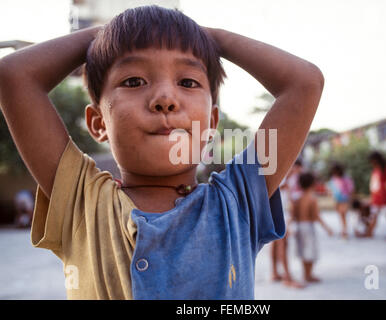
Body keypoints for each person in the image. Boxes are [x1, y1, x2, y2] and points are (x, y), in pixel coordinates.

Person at [0, 6, 324, 299]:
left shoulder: (238, 201)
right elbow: (13, 76)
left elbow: (304, 82)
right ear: (98, 122)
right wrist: (108, 36)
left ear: (211, 123)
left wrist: (210, 38)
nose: (165, 98)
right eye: (134, 80)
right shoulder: (81, 200)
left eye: (187, 81)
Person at [291, 172, 333, 283]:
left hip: (299, 227)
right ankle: (309, 275)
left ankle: (305, 274)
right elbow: (316, 217)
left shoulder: (297, 199)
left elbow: (293, 215)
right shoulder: (312, 199)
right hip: (308, 228)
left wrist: (289, 226)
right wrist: (327, 228)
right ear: (313, 184)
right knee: (310, 251)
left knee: (303, 251)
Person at [270, 162, 305, 288]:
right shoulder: (282, 177)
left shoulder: (286, 179)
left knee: (277, 243)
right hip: (278, 212)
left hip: (278, 212)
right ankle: (287, 276)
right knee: (283, 243)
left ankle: (275, 272)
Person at [327, 163, 354, 239]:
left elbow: (350, 189)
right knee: (341, 215)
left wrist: (350, 199)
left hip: (344, 199)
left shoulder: (346, 178)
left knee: (343, 214)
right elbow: (331, 188)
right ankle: (343, 229)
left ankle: (345, 231)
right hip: (337, 199)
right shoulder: (333, 178)